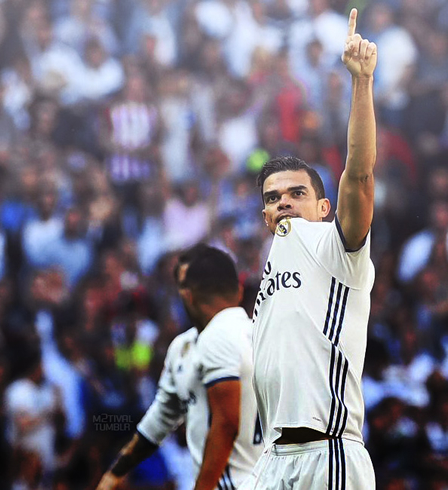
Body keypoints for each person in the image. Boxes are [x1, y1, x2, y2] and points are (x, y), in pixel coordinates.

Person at [241, 9, 377, 489]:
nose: (283, 203)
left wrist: (361, 83)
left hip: (328, 453)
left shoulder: (333, 245)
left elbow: (359, 176)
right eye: (273, 198)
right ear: (264, 217)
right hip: (275, 456)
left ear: (323, 207)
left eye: (296, 193)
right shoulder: (272, 264)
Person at [96, 244, 262, 490]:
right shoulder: (256, 336)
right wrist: (115, 473)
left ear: (188, 295)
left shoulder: (218, 336)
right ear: (237, 291)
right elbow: (160, 418)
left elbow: (226, 423)